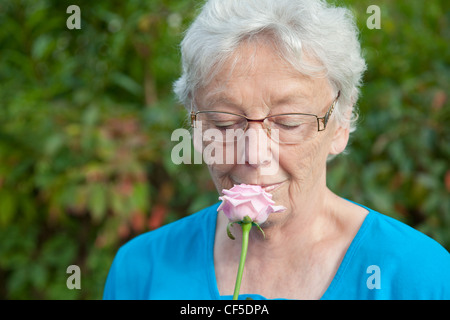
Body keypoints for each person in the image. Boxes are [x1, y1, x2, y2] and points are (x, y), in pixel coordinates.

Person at [103, 0, 450, 299]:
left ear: (340, 122)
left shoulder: (418, 275)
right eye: (224, 123)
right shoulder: (141, 271)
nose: (254, 154)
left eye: (287, 123)